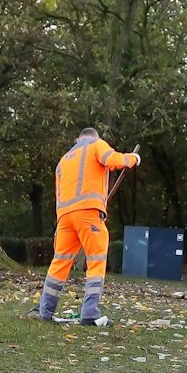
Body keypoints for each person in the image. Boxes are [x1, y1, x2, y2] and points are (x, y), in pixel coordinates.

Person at [34, 128, 139, 326]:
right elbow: (113, 160)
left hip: (65, 217)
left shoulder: (64, 160)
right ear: (94, 137)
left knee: (60, 263)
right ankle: (90, 313)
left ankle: (45, 311)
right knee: (96, 260)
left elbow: (59, 193)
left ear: (78, 139)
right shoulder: (96, 145)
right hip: (88, 214)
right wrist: (133, 158)